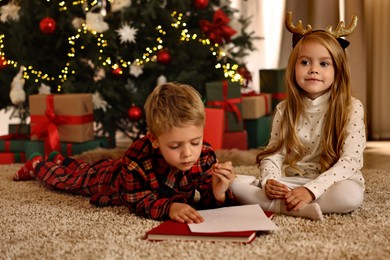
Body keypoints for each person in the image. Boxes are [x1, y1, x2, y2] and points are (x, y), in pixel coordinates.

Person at [13, 82, 237, 223]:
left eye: (195, 142)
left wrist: (218, 193)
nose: (188, 153)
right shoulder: (139, 156)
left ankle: (60, 159)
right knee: (72, 179)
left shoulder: (205, 155)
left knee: (80, 167)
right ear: (154, 139)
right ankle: (39, 165)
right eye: (175, 146)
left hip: (129, 178)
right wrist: (169, 207)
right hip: (111, 180)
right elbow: (136, 200)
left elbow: (207, 200)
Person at [231, 12, 366, 221]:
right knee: (232, 184)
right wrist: (270, 182)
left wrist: (311, 191)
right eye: (305, 62)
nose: (313, 69)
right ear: (293, 68)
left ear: (338, 71)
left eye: (324, 64)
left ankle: (282, 206)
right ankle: (294, 206)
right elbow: (273, 154)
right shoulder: (285, 109)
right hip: (293, 183)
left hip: (333, 184)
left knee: (350, 197)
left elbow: (350, 161)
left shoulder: (351, 107)